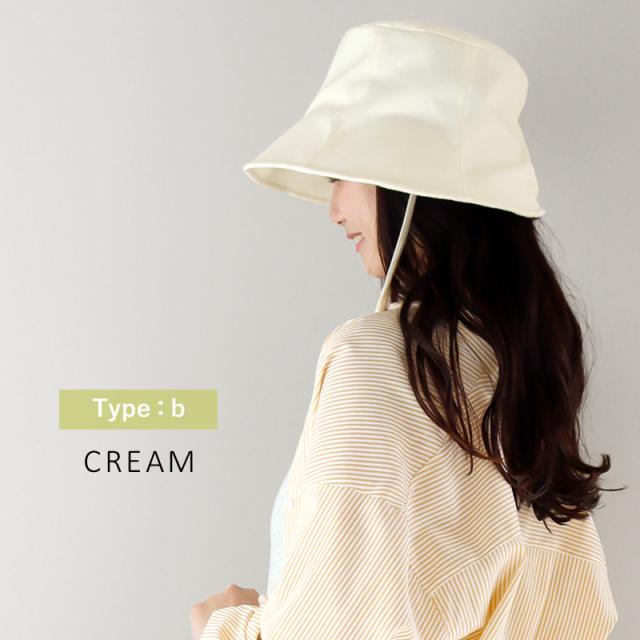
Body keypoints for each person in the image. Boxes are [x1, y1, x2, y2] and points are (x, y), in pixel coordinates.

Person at [190, 20, 622, 639]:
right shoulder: (523, 378)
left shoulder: (375, 362)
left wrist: (222, 624)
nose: (334, 209)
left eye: (341, 175)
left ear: (407, 183)